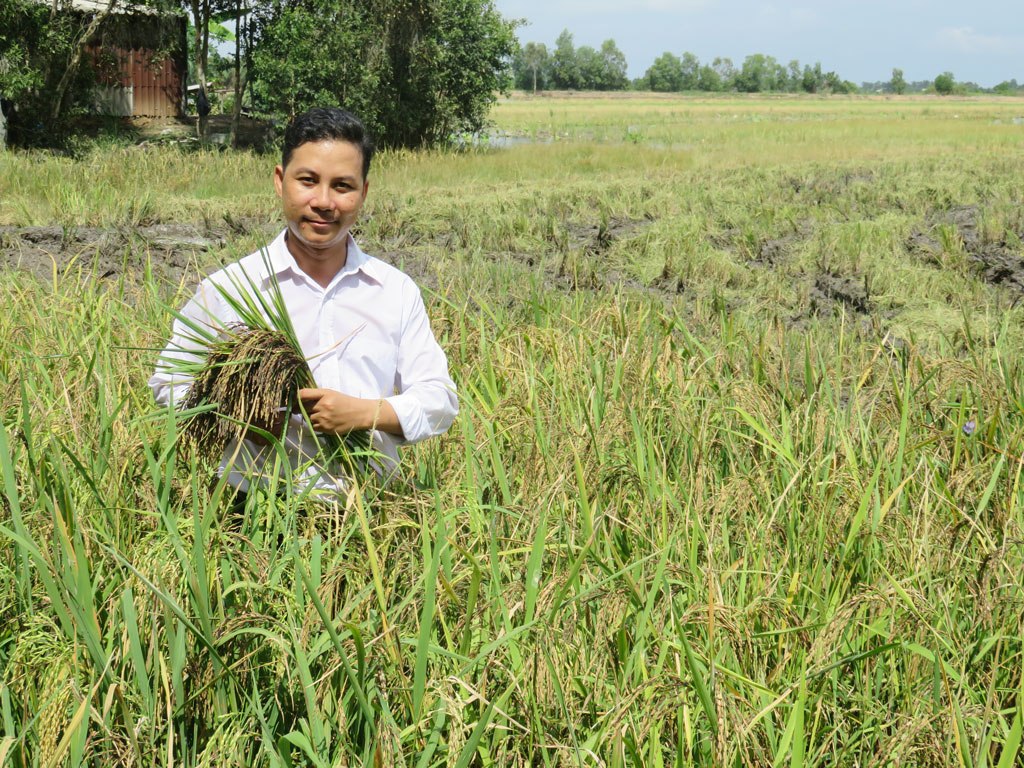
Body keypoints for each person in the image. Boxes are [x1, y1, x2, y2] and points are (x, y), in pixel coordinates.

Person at [150, 107, 458, 494]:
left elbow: (439, 401)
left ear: (363, 192)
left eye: (343, 186)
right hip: (250, 512)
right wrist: (241, 413)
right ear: (281, 182)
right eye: (308, 181)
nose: (324, 201)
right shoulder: (232, 288)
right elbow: (169, 382)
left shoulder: (395, 291)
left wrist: (365, 413)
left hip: (368, 509)